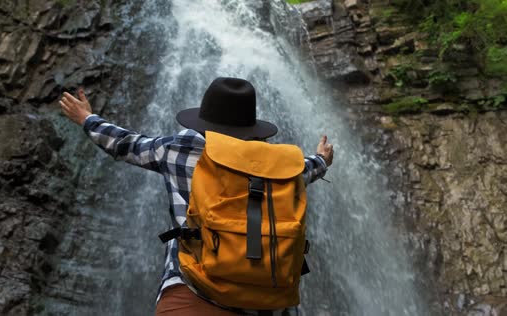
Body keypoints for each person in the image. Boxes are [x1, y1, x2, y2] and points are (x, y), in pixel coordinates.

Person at [59, 77, 334, 315]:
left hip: (193, 295)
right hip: (271, 303)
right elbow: (307, 168)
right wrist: (322, 159)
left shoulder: (178, 148)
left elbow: (126, 143)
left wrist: (87, 118)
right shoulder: (280, 165)